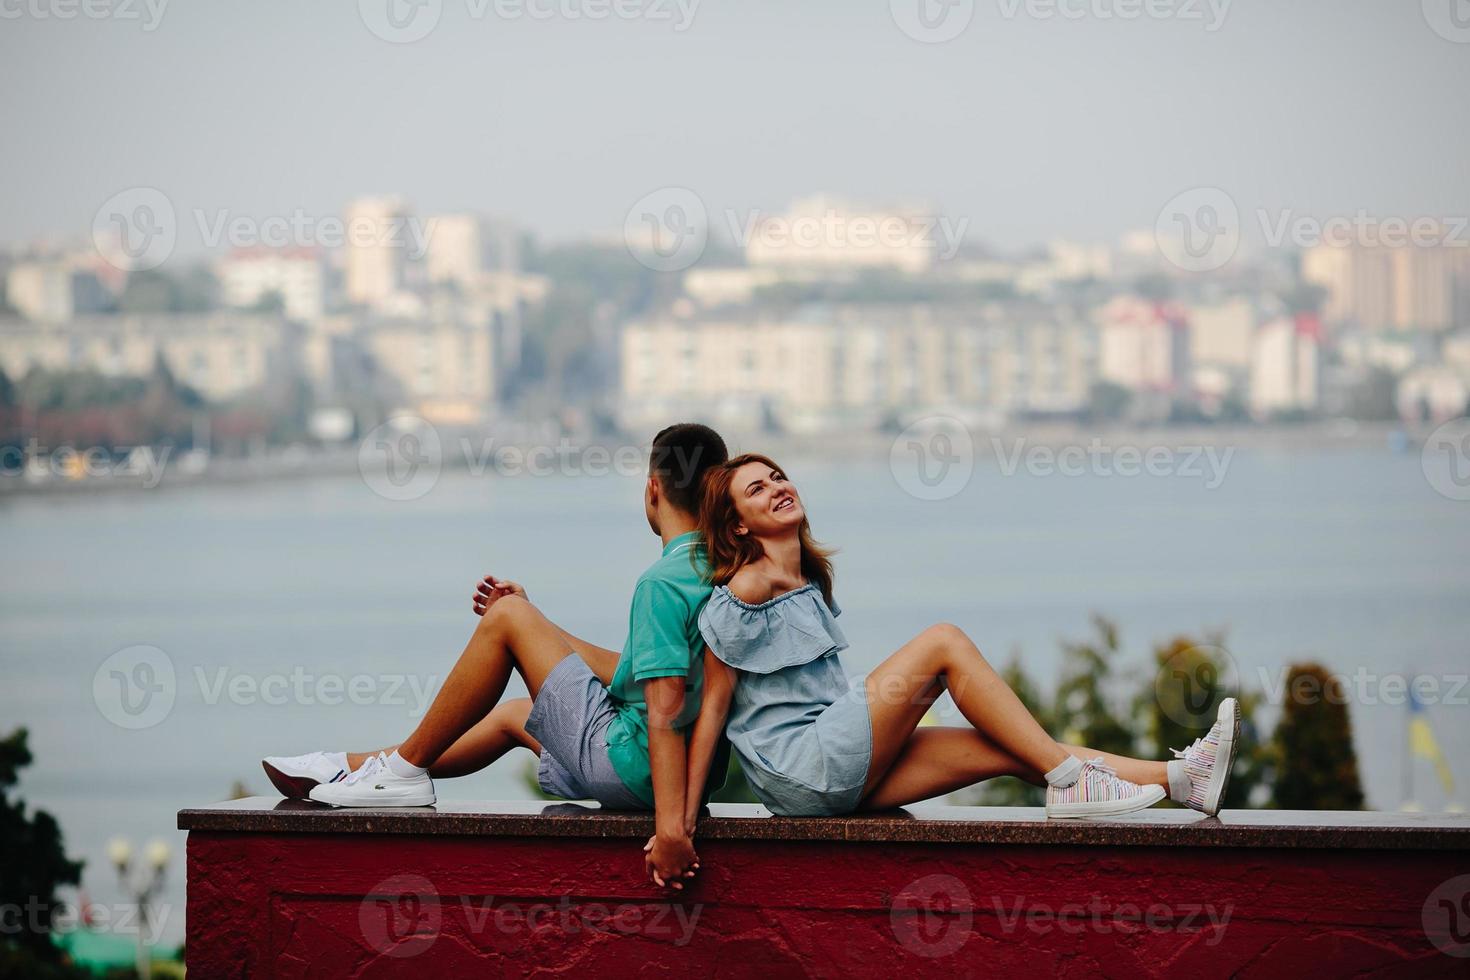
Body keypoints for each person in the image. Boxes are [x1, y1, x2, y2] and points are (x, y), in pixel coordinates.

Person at [262, 423, 732, 887]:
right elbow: (636, 678)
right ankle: (350, 767)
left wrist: (672, 826)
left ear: (652, 490)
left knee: (505, 616)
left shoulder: (662, 581)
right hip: (682, 774)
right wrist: (538, 629)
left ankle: (401, 774)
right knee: (515, 714)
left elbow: (665, 709)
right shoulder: (721, 570)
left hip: (639, 772)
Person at [692, 453, 1240, 819]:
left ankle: (1180, 779)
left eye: (778, 477)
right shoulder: (748, 584)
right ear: (738, 524)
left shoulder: (804, 578)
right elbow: (714, 707)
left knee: (1007, 745)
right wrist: (679, 823)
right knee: (944, 642)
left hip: (824, 774)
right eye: (756, 489)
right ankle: (1072, 780)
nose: (777, 489)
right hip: (804, 764)